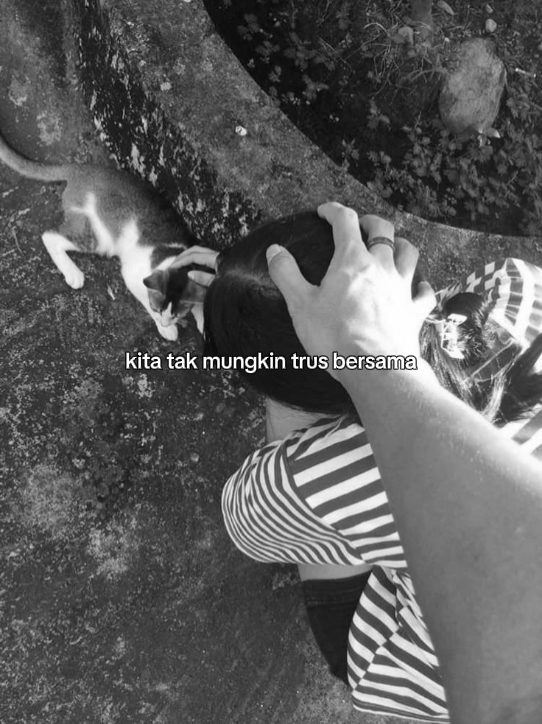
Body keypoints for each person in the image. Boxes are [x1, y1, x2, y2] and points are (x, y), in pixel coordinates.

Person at [174, 204, 542, 724]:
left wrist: (280, 401)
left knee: (313, 518)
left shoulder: (309, 473)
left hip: (418, 662)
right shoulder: (516, 290)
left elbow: (249, 528)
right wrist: (260, 318)